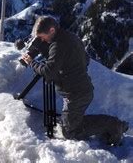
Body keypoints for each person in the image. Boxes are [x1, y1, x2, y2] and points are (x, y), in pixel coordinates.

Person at [21, 16, 129, 145]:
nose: (42, 40)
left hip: (76, 94)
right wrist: (58, 61)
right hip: (81, 89)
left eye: (42, 37)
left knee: (70, 132)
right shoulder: (71, 37)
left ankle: (115, 125)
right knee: (70, 123)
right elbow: (86, 60)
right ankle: (109, 124)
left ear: (51, 30)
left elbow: (48, 72)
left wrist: (32, 62)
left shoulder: (58, 45)